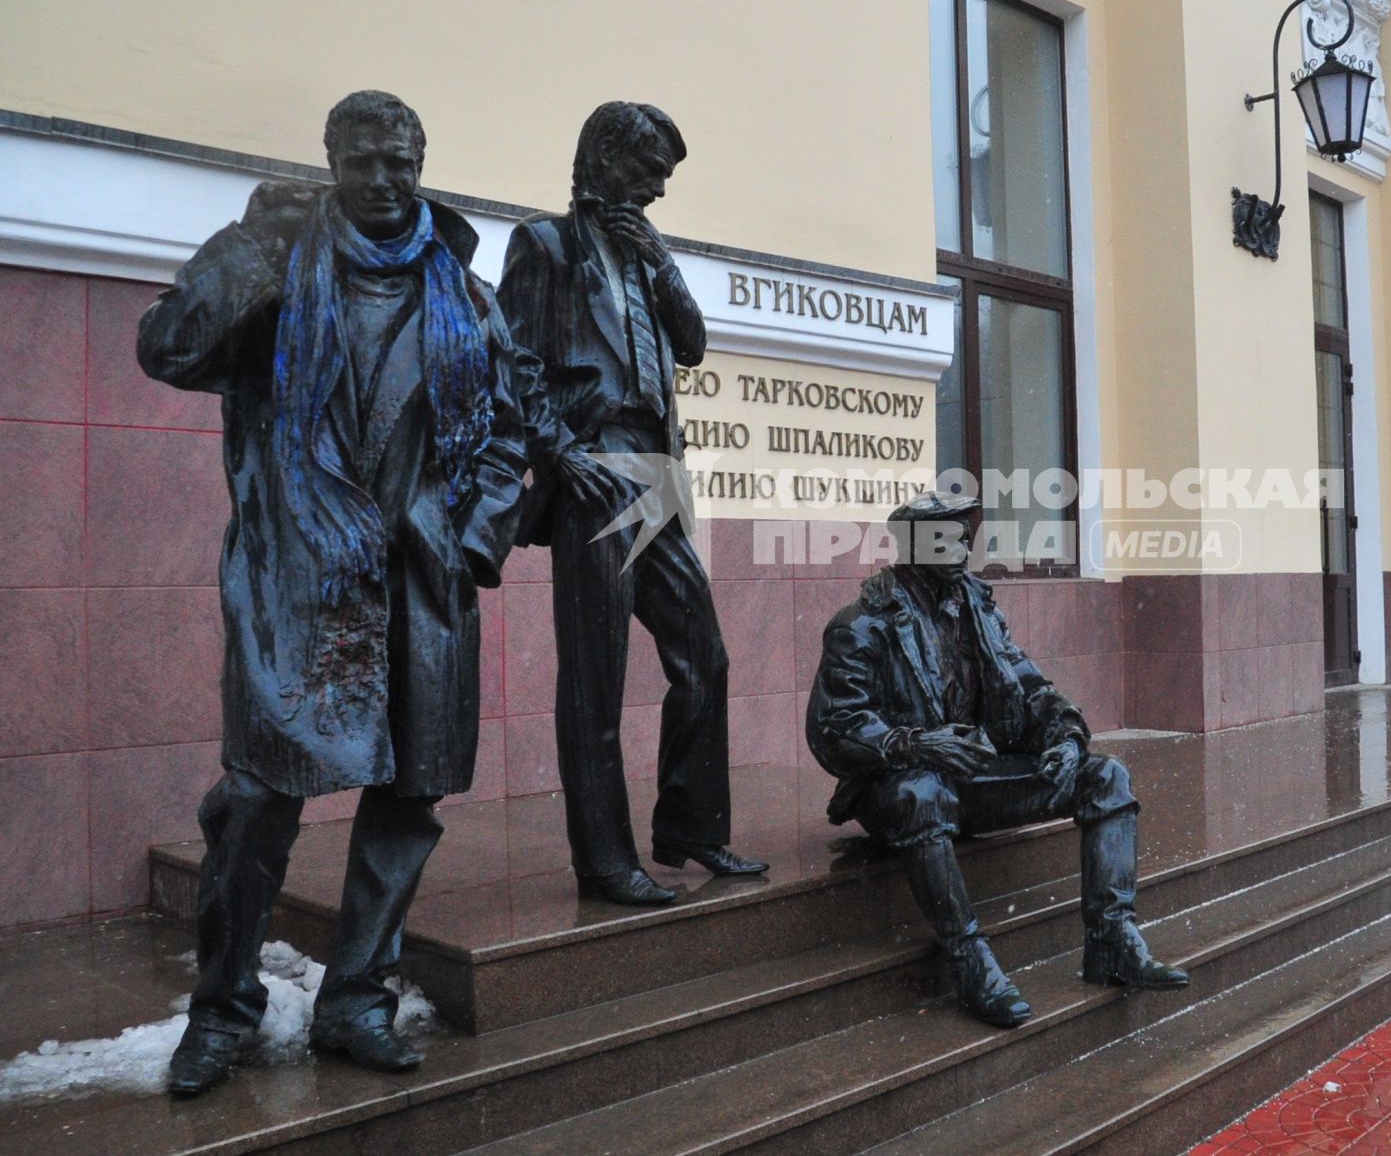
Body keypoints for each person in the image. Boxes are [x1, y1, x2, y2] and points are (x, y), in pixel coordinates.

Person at [137, 91, 531, 1095]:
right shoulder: (277, 272)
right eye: (367, 162)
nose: (389, 181)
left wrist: (470, 537)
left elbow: (515, 435)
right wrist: (245, 241)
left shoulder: (466, 295)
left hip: (420, 586)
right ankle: (221, 1009)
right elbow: (168, 349)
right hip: (299, 580)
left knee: (408, 800)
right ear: (332, 164)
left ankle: (357, 999)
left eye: (405, 161)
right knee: (261, 799)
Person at [498, 101, 765, 907]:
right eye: (649, 170)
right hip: (596, 470)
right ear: (605, 158)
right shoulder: (544, 245)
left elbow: (690, 344)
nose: (656, 189)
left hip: (655, 475)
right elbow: (511, 360)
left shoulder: (646, 257)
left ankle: (690, 827)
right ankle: (605, 859)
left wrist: (664, 264)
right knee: (597, 677)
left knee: (703, 656)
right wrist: (559, 451)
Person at [805, 492, 1188, 1028]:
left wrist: (1064, 737)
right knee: (921, 792)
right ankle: (969, 961)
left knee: (1104, 775)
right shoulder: (863, 624)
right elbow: (833, 728)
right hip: (896, 787)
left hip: (975, 778)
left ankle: (1111, 942)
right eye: (947, 534)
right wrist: (915, 744)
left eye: (964, 533)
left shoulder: (977, 610)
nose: (962, 544)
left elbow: (1030, 687)